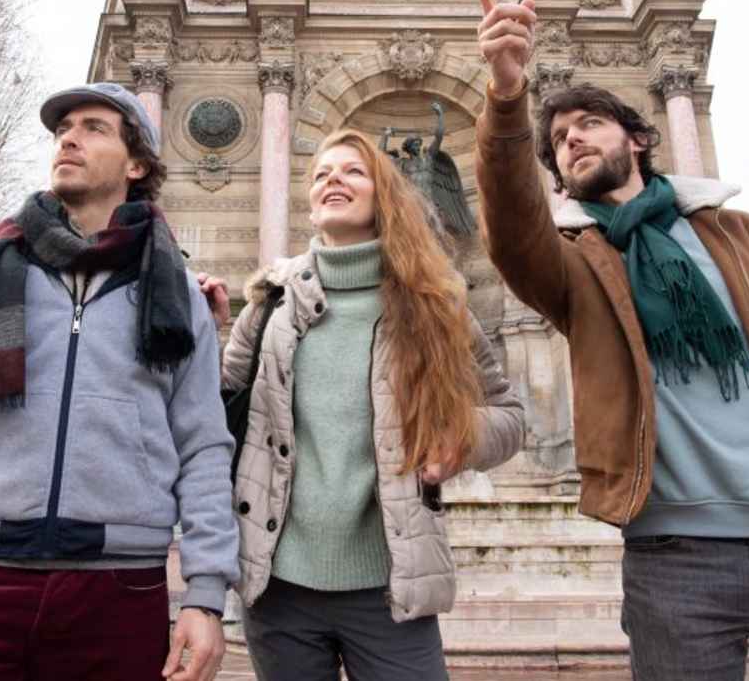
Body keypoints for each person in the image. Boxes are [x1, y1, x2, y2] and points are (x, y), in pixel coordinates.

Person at [470, 0, 749, 680]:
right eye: (560, 141)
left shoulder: (744, 236)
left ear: (638, 138)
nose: (572, 141)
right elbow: (512, 229)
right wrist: (508, 95)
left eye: (588, 127)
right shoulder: (577, 265)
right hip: (676, 557)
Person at [0, 82, 237, 681]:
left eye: (93, 128)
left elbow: (204, 448)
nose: (69, 138)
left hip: (120, 591)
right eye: (64, 129)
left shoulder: (179, 298)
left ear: (136, 164)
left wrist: (206, 593)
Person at [222, 129, 525, 681]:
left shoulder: (437, 304)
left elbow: (508, 413)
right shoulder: (268, 303)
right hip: (277, 590)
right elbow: (218, 415)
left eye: (352, 171)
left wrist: (464, 439)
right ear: (311, 205)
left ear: (384, 195)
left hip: (392, 588)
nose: (333, 179)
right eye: (321, 173)